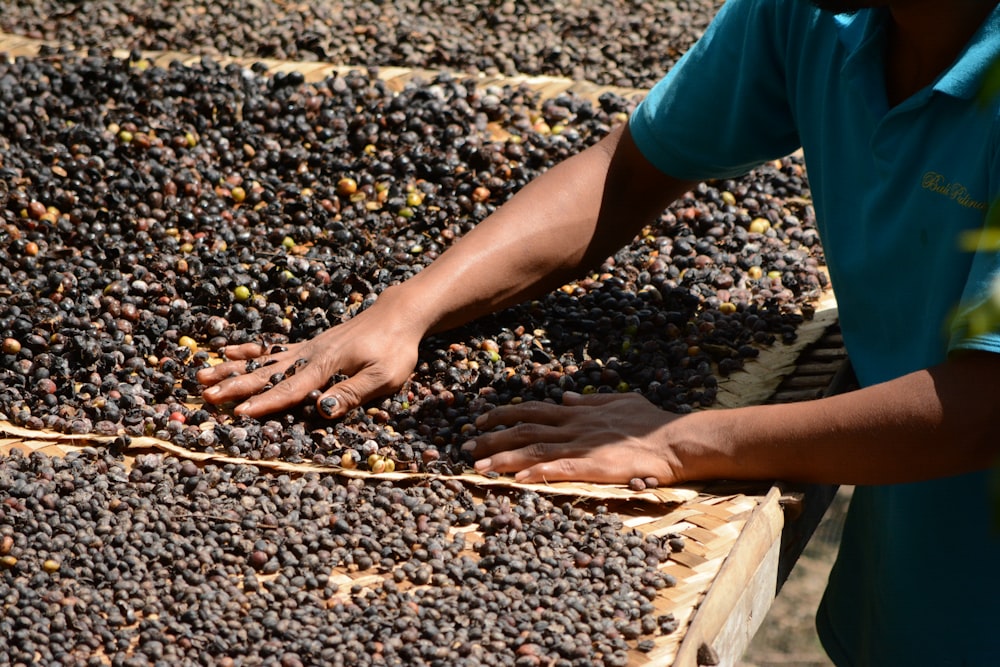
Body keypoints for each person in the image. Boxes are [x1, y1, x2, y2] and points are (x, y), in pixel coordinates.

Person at [199, 0, 1000, 663]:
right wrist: (407, 309)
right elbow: (630, 168)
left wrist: (684, 439)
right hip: (918, 575)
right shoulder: (812, 13)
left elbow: (982, 409)